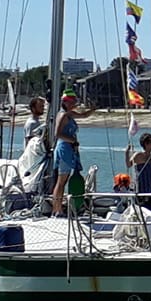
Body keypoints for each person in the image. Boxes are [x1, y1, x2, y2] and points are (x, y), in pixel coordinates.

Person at [50, 88, 95, 216]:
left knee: (64, 179)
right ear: (65, 102)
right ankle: (57, 209)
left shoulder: (69, 114)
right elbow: (57, 134)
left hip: (69, 149)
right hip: (64, 148)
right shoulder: (63, 115)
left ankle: (58, 207)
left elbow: (84, 115)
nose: (74, 103)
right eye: (72, 101)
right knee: (61, 180)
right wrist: (72, 141)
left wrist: (93, 109)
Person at [125, 132, 151, 212]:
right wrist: (127, 153)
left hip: (150, 192)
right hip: (140, 190)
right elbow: (128, 164)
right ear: (146, 144)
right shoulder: (138, 156)